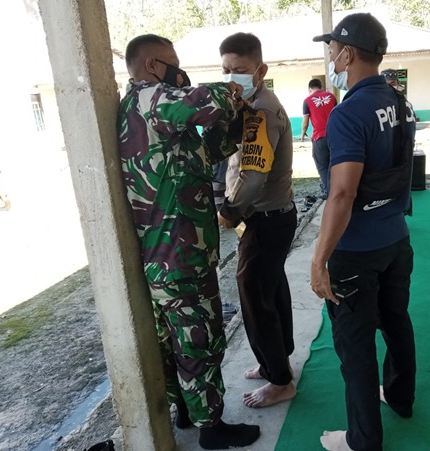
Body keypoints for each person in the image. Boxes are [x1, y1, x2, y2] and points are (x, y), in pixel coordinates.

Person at [116, 34, 260, 450]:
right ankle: (211, 428)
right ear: (151, 66)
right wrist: (235, 89)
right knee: (200, 341)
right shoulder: (150, 98)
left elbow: (207, 150)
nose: (180, 73)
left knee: (176, 342)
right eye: (173, 64)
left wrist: (234, 121)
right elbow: (206, 101)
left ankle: (185, 410)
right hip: (179, 255)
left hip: (173, 253)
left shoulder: (156, 116)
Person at [310, 13, 417, 451]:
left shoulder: (348, 113)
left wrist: (319, 259)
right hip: (396, 239)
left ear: (348, 54)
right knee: (396, 321)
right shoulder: (400, 102)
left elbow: (342, 193)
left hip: (356, 250)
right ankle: (401, 397)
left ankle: (363, 440)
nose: (331, 57)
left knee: (355, 347)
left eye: (333, 49)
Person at [216, 32, 298, 409]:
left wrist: (229, 211)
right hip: (273, 217)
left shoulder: (261, 111)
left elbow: (251, 176)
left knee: (253, 294)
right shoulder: (252, 103)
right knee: (271, 288)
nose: (232, 77)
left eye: (240, 69)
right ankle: (276, 363)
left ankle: (280, 381)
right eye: (225, 70)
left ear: (260, 70)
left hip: (265, 219)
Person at [300, 78, 337, 199]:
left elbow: (305, 122)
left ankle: (329, 192)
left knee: (322, 166)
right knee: (334, 165)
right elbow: (338, 114)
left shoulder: (307, 101)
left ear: (309, 89)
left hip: (319, 137)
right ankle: (336, 190)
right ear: (321, 87)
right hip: (335, 136)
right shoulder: (332, 97)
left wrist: (303, 133)